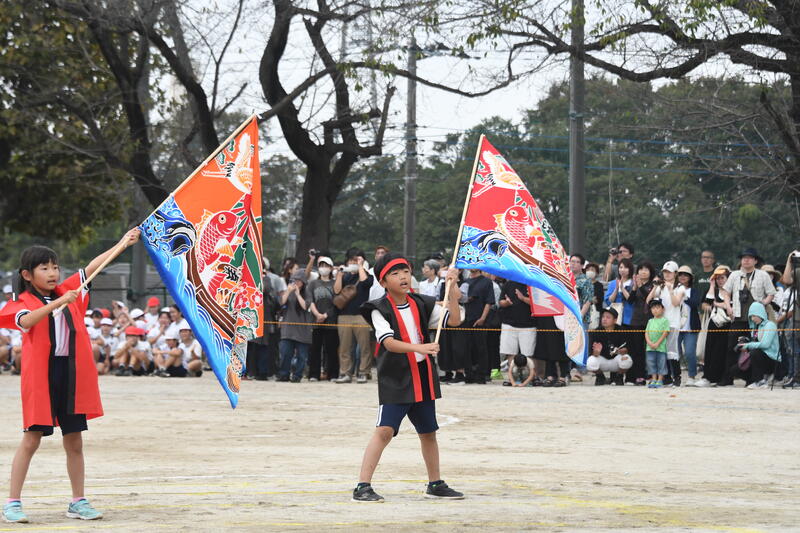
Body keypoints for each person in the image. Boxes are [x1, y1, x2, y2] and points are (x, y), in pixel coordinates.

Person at [0, 228, 140, 523]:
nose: (52, 273)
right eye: (44, 268)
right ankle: (12, 502)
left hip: (70, 373)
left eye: (55, 267)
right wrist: (58, 303)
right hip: (41, 377)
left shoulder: (68, 291)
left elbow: (91, 267)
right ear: (27, 275)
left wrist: (122, 243)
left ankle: (78, 501)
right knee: (31, 439)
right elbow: (27, 321)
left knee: (74, 440)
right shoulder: (22, 302)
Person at [353, 253, 463, 502]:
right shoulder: (378, 309)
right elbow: (389, 343)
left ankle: (435, 483)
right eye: (395, 273)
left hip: (422, 378)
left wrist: (453, 289)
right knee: (384, 431)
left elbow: (455, 320)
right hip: (396, 379)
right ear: (383, 282)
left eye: (405, 271)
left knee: (428, 432)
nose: (403, 277)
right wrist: (420, 348)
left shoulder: (422, 303)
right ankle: (362, 486)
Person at [721, 248, 776, 386]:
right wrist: (728, 306)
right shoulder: (734, 275)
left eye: (750, 257)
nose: (746, 260)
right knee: (732, 348)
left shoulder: (763, 275)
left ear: (755, 261)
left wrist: (763, 303)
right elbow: (726, 292)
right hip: (738, 317)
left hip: (756, 320)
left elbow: (771, 293)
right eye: (744, 257)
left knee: (754, 349)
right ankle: (728, 378)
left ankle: (752, 379)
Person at [334, 249, 375, 383]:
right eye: (351, 260)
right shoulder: (345, 276)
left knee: (364, 346)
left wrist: (360, 266)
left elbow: (365, 282)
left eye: (356, 260)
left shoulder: (367, 275)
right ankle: (345, 373)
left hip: (361, 316)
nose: (353, 263)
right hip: (344, 315)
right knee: (344, 347)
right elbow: (336, 290)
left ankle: (363, 372)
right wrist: (339, 275)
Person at [647, 261, 684, 386]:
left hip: (673, 322)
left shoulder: (680, 287)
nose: (667, 274)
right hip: (661, 323)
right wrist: (655, 286)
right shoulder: (661, 287)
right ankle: (666, 378)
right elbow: (648, 301)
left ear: (675, 273)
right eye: (665, 272)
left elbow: (676, 303)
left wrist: (671, 290)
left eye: (669, 272)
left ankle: (677, 377)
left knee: (672, 350)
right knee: (662, 350)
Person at [497, 280, 537, 383]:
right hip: (509, 323)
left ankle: (529, 377)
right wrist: (506, 303)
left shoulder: (532, 283)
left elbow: (536, 303)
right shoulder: (508, 284)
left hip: (528, 324)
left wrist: (523, 298)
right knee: (510, 353)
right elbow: (500, 302)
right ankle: (513, 378)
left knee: (528, 354)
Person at [307, 255, 339, 381]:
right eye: (321, 266)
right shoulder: (313, 283)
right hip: (316, 321)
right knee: (315, 349)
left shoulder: (334, 283)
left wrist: (326, 315)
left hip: (331, 322)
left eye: (326, 266)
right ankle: (314, 374)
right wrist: (317, 314)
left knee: (331, 349)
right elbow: (310, 300)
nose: (323, 268)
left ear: (331, 268)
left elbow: (337, 302)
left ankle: (333, 374)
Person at [460, 269, 495, 384]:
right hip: (466, 318)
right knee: (467, 347)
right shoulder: (465, 282)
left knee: (481, 347)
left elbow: (489, 301)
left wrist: (483, 318)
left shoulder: (486, 282)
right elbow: (461, 298)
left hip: (480, 319)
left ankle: (482, 375)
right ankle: (469, 374)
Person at [278, 270, 312, 382]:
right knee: (285, 353)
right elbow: (281, 303)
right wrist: (288, 291)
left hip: (302, 330)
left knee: (302, 356)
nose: (296, 282)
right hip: (288, 329)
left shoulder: (307, 293)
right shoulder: (288, 291)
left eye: (298, 280)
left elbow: (305, 306)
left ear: (303, 282)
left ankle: (297, 376)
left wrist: (298, 294)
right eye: (294, 280)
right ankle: (283, 374)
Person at [625, 261, 655, 385]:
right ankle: (639, 376)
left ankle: (652, 375)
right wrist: (634, 288)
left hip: (649, 321)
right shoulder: (635, 284)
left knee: (650, 349)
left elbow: (649, 298)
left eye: (646, 269)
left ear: (650, 272)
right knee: (637, 349)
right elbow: (630, 301)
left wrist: (640, 286)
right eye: (641, 269)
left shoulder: (653, 285)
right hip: (636, 320)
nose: (643, 272)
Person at [738, 302, 780, 389]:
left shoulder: (770, 325)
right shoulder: (755, 327)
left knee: (755, 353)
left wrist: (748, 345)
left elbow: (765, 344)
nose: (752, 319)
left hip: (772, 359)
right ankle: (753, 380)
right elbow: (755, 342)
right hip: (761, 357)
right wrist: (745, 342)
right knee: (735, 369)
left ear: (760, 313)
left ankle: (760, 381)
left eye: (754, 316)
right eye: (751, 316)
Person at [701, 265, 731, 385]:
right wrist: (712, 285)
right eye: (717, 278)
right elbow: (707, 302)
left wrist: (718, 304)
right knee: (710, 349)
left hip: (727, 324)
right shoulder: (714, 290)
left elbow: (731, 306)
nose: (720, 280)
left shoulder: (732, 291)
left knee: (721, 351)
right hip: (714, 322)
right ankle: (707, 376)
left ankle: (719, 378)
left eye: (722, 278)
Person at [587, 307, 633, 385]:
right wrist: (596, 352)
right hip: (602, 360)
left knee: (627, 359)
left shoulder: (622, 330)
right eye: (603, 317)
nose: (604, 319)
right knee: (590, 362)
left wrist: (619, 351)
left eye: (608, 317)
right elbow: (592, 353)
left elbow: (627, 349)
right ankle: (600, 377)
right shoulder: (596, 331)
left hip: (616, 360)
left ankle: (619, 376)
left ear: (615, 320)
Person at [676, 266, 703, 386]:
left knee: (690, 352)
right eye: (680, 274)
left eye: (685, 275)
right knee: (675, 353)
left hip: (690, 327)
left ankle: (692, 376)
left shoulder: (694, 291)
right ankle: (675, 376)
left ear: (690, 278)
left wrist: (684, 296)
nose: (682, 277)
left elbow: (695, 303)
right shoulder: (673, 289)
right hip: (675, 327)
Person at [645, 299, 670, 389]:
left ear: (662, 309)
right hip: (650, 347)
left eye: (658, 307)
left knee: (661, 363)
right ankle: (654, 379)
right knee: (651, 363)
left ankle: (660, 379)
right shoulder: (650, 321)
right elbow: (646, 332)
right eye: (653, 308)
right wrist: (649, 342)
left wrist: (658, 343)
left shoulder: (665, 320)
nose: (655, 310)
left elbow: (665, 332)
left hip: (661, 347)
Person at [604, 258, 635, 326]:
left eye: (626, 267)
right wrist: (616, 289)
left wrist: (622, 288)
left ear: (630, 269)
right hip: (615, 315)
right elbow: (609, 301)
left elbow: (634, 301)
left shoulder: (634, 283)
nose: (622, 270)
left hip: (630, 316)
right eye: (621, 267)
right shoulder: (613, 283)